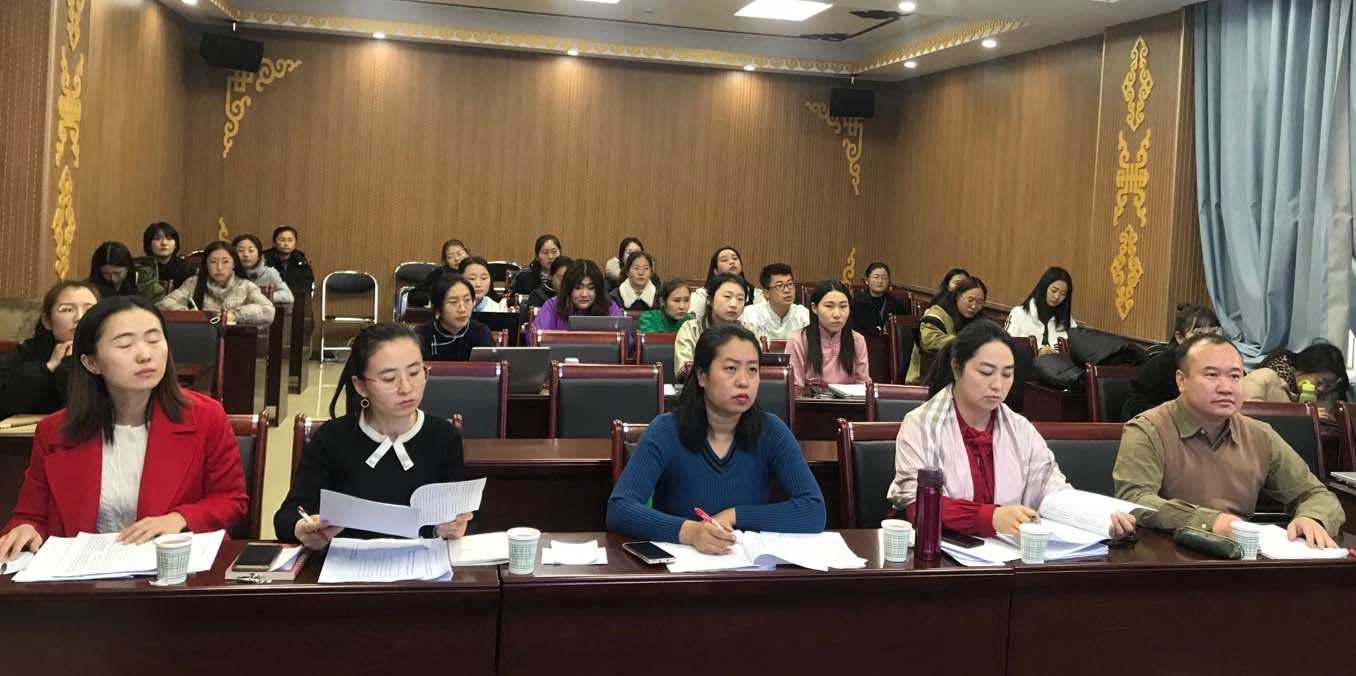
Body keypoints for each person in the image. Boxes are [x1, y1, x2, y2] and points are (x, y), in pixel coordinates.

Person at [0, 296, 247, 559]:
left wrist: (179, 518)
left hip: (174, 568)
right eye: (125, 345)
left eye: (154, 340)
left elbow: (231, 500)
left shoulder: (206, 416)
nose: (145, 355)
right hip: (84, 571)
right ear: (91, 362)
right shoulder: (54, 430)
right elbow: (30, 515)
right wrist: (25, 528)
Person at [888, 321, 1136, 538]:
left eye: (1007, 374)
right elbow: (916, 504)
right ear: (956, 367)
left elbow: (1051, 490)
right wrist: (991, 518)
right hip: (945, 557)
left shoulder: (1020, 429)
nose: (998, 385)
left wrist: (1099, 517)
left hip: (1013, 555)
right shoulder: (922, 425)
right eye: (986, 372)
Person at [606, 324, 826, 552]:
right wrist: (690, 532)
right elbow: (619, 509)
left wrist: (735, 515)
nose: (744, 381)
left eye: (752, 369)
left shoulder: (771, 431)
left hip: (746, 563)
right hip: (681, 565)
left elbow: (813, 510)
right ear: (702, 375)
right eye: (731, 368)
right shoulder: (666, 430)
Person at [1113, 333, 1344, 547]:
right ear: (1181, 381)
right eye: (1212, 375)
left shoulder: (1259, 435)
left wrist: (1312, 518)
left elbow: (1316, 494)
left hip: (1240, 556)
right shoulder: (1148, 430)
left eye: (1235, 376)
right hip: (1166, 555)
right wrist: (1209, 522)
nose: (1226, 388)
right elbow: (1135, 501)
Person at [275, 323, 472, 549]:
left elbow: (455, 518)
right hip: (345, 565)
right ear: (360, 386)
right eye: (389, 378)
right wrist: (302, 528)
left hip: (420, 564)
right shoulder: (332, 438)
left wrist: (450, 528)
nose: (406, 388)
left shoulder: (444, 437)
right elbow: (287, 517)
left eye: (415, 373)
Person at [0, 281, 100, 419]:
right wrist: (48, 367)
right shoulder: (28, 351)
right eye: (67, 310)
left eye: (89, 310)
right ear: (47, 321)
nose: (79, 317)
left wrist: (70, 363)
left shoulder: (113, 353)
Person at [1121, 304, 1221, 420]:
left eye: (1213, 332)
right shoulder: (1161, 364)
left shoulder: (1222, 363)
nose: (1207, 340)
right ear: (1180, 337)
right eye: (1198, 334)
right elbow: (1136, 405)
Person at [158, 240, 276, 327]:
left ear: (234, 264)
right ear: (206, 264)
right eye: (213, 262)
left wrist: (235, 315)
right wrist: (187, 313)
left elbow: (268, 311)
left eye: (225, 262)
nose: (219, 267)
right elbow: (164, 304)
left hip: (235, 342)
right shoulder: (193, 283)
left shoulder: (245, 286)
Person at [787, 281, 869, 389]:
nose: (837, 314)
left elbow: (863, 386)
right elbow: (795, 388)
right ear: (814, 308)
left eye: (843, 306)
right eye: (829, 306)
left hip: (849, 400)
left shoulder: (857, 340)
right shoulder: (798, 341)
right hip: (809, 399)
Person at [907, 276, 987, 384]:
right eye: (970, 300)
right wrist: (966, 341)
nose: (974, 306)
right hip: (927, 377)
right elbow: (929, 341)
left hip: (962, 379)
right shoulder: (937, 314)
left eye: (980, 303)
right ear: (958, 296)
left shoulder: (980, 320)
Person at [675, 273, 750, 380]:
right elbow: (685, 371)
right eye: (727, 297)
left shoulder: (749, 331)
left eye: (740, 299)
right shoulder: (692, 329)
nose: (734, 304)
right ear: (710, 299)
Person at [1243, 341, 1349, 411]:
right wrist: (1305, 414)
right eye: (1320, 382)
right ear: (1304, 368)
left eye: (1327, 386)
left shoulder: (1312, 399)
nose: (1321, 389)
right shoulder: (1265, 377)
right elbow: (1249, 415)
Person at [414, 274, 494, 361]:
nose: (462, 309)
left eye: (467, 300)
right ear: (438, 307)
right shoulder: (422, 335)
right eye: (453, 302)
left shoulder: (480, 332)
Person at [530, 259, 623, 331]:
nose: (584, 294)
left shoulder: (609, 307)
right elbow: (536, 338)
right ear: (568, 288)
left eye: (591, 288)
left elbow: (626, 340)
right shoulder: (553, 306)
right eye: (578, 288)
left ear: (598, 290)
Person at [1005, 266, 1077, 354]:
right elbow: (1006, 345)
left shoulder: (1067, 319)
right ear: (1044, 288)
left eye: (1063, 294)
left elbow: (1078, 348)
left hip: (1058, 362)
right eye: (1053, 291)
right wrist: (1037, 351)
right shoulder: (1019, 313)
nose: (1057, 296)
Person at [688, 246, 763, 320]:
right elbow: (692, 320)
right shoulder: (702, 295)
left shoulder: (756, 294)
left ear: (741, 266)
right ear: (715, 271)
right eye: (724, 260)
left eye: (735, 258)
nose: (732, 262)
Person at [740, 263, 809, 341]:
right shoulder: (751, 315)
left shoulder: (803, 315)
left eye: (790, 284)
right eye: (779, 286)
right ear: (766, 293)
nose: (787, 290)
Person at [849, 262, 909, 336]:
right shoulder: (856, 304)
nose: (880, 281)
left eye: (884, 278)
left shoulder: (898, 305)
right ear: (867, 281)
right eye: (876, 277)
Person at [232, 234, 294, 304]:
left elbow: (288, 296)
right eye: (241, 251)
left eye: (251, 250)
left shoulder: (269, 273)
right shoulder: (229, 273)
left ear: (259, 254)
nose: (246, 254)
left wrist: (263, 296)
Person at [134, 222, 194, 292]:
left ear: (175, 245)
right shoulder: (140, 268)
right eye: (157, 239)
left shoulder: (186, 268)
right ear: (148, 244)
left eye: (169, 238)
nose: (164, 243)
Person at [88, 241, 159, 300]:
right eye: (106, 273)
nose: (113, 278)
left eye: (117, 273)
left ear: (128, 268)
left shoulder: (148, 286)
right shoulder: (90, 288)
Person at [413, 239, 470, 308]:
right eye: (450, 257)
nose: (456, 259)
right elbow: (414, 295)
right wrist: (437, 299)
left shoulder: (477, 269)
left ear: (467, 253)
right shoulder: (439, 274)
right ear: (446, 261)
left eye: (459, 254)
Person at [262, 225, 315, 290]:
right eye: (282, 240)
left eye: (290, 240)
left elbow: (306, 285)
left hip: (294, 295)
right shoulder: (263, 259)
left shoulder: (301, 260)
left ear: (295, 242)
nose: (286, 243)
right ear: (274, 242)